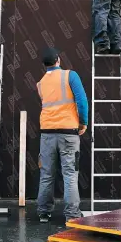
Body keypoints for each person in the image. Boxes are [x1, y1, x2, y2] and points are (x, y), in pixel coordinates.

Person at [36, 48, 88, 223]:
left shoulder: (41, 83)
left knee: (46, 174)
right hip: (68, 133)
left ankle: (43, 212)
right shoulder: (70, 75)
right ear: (58, 59)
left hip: (47, 133)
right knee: (70, 174)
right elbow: (81, 101)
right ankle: (72, 215)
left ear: (44, 65)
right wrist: (83, 122)